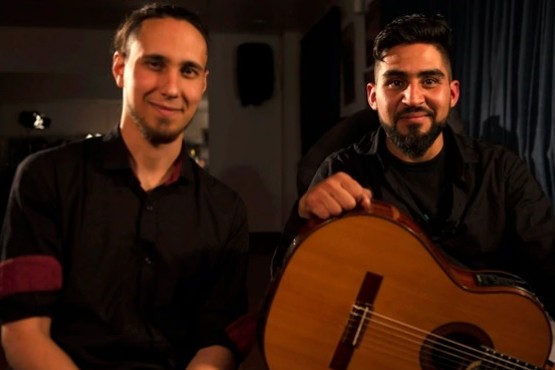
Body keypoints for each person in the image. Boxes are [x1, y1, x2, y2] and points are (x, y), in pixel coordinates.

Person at [0, 3, 251, 370]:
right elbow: (23, 331)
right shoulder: (45, 177)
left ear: (203, 83)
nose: (171, 87)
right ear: (120, 68)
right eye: (155, 64)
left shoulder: (225, 209)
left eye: (188, 71)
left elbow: (221, 337)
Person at [274, 13, 555, 322]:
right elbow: (289, 286)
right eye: (396, 82)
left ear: (453, 93)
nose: (412, 98)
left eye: (429, 81)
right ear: (373, 96)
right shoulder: (341, 171)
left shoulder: (502, 172)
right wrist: (302, 219)